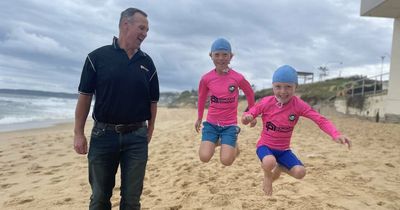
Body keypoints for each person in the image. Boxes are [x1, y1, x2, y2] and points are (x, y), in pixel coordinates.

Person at [73, 8, 159, 210]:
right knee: (100, 198)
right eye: (141, 28)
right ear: (125, 25)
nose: (145, 34)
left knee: (131, 200)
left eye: (147, 30)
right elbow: (85, 97)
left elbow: (153, 101)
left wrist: (151, 128)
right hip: (103, 135)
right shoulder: (97, 58)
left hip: (137, 137)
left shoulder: (148, 63)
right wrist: (78, 133)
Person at [241, 65, 351, 196]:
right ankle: (267, 176)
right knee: (269, 162)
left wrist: (335, 134)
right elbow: (249, 113)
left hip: (283, 150)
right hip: (265, 147)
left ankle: (281, 167)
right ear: (273, 87)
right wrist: (247, 118)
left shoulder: (298, 105)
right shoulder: (266, 102)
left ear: (295, 87)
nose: (283, 91)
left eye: (288, 87)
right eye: (278, 87)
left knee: (300, 172)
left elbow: (320, 120)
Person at [195, 37, 257, 166]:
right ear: (210, 56)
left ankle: (233, 144)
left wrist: (252, 114)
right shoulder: (206, 78)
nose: (221, 58)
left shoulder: (237, 78)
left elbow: (249, 93)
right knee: (204, 157)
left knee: (226, 161)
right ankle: (218, 141)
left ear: (231, 56)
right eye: (217, 55)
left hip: (229, 125)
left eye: (225, 55)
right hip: (211, 124)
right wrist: (199, 117)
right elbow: (201, 98)